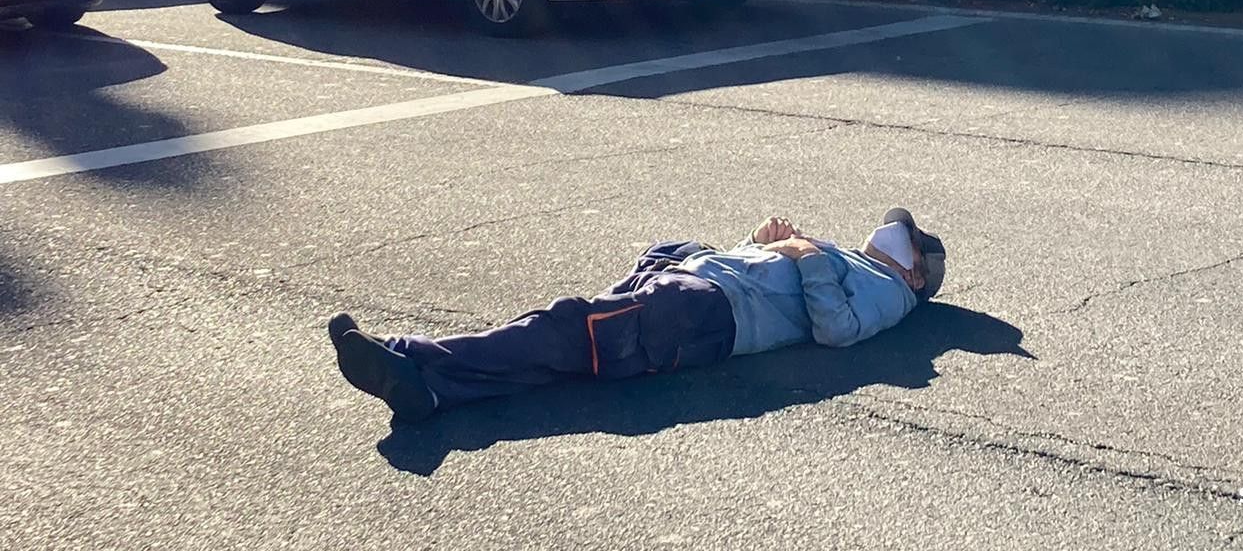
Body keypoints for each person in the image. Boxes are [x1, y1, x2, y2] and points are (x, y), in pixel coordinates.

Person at [327, 207, 947, 424]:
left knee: (568, 329)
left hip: (705, 312)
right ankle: (429, 393)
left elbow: (835, 327)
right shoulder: (861, 262)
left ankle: (411, 358)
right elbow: (786, 277)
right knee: (568, 343)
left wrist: (803, 251)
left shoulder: (892, 295)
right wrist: (758, 241)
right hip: (699, 285)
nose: (894, 233)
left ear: (916, 272)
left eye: (908, 239)